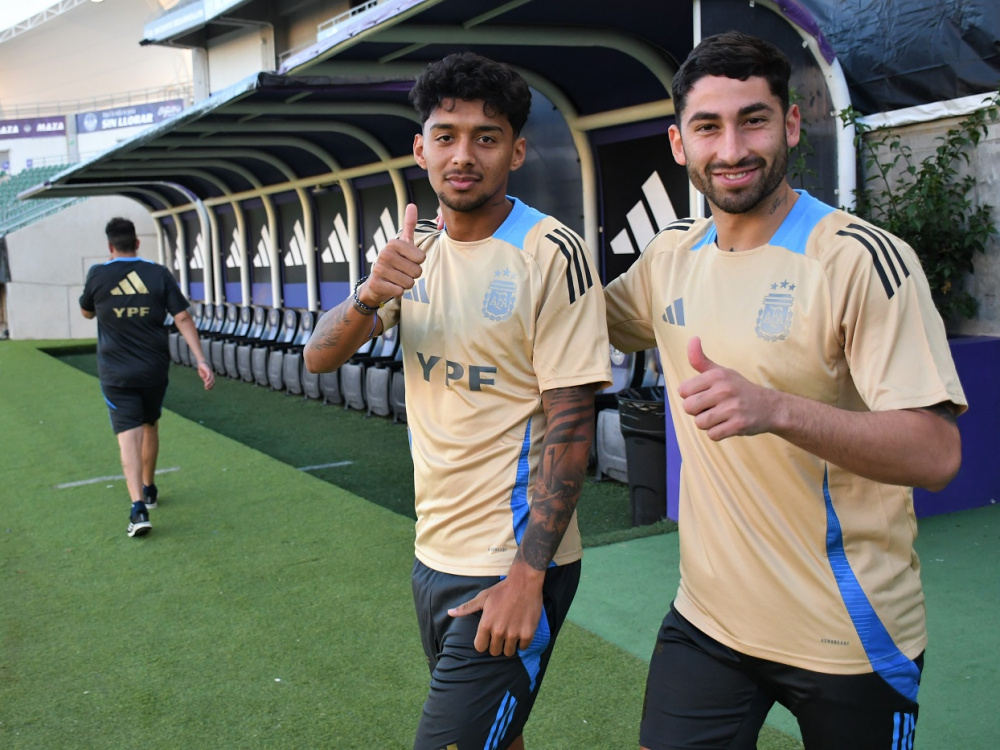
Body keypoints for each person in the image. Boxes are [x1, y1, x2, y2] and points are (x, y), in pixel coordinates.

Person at [603, 31, 966, 750]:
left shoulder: (858, 260)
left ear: (792, 126)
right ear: (680, 144)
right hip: (708, 622)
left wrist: (775, 408)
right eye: (709, 126)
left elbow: (936, 452)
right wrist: (401, 285)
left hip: (848, 635)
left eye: (754, 120)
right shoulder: (669, 257)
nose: (732, 147)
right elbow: (567, 324)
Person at [304, 52, 611, 750]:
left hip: (511, 562)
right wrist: (369, 294)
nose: (463, 154)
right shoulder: (416, 252)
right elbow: (318, 355)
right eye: (446, 135)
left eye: (486, 136)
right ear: (421, 149)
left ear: (518, 151)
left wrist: (527, 576)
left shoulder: (548, 252)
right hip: (433, 552)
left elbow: (570, 425)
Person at [80, 217, 214, 538]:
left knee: (128, 433)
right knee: (150, 423)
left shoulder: (98, 274)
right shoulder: (157, 273)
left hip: (115, 372)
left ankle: (138, 507)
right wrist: (201, 359)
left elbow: (86, 311)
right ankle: (149, 488)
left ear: (110, 247)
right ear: (137, 243)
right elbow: (182, 316)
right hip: (154, 369)